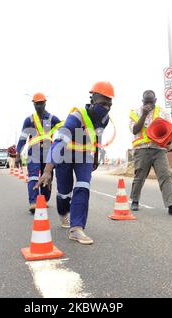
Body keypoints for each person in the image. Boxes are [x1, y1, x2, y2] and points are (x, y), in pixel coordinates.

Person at [35, 81, 113, 245]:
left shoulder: (105, 119)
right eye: (102, 103)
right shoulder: (76, 116)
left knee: (83, 186)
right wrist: (48, 170)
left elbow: (97, 137)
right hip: (64, 154)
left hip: (84, 155)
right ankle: (63, 212)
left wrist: (96, 157)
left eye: (109, 104)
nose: (106, 107)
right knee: (64, 192)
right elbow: (58, 143)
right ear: (92, 100)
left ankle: (76, 228)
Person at [129, 90, 172, 215]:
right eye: (146, 102)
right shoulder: (135, 112)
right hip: (142, 149)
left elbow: (169, 129)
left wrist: (168, 142)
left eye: (151, 102)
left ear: (155, 100)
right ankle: (135, 201)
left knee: (165, 176)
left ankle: (171, 205)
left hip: (159, 149)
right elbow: (134, 130)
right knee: (139, 177)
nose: (148, 104)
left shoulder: (163, 112)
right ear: (142, 101)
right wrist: (144, 115)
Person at [15, 93, 62, 214]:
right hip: (33, 152)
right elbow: (22, 138)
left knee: (47, 177)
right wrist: (18, 154)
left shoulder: (53, 118)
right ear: (33, 104)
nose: (39, 106)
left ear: (45, 103)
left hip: (48, 152)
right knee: (33, 176)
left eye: (41, 103)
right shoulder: (29, 120)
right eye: (37, 103)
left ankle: (44, 199)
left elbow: (65, 130)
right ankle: (33, 202)